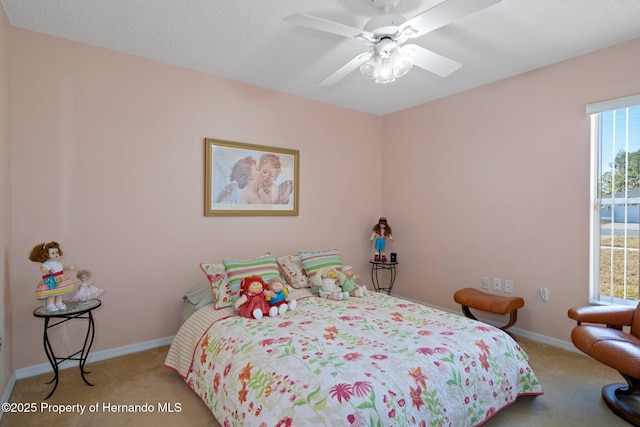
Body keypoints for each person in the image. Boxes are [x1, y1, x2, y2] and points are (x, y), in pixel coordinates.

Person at [29, 241, 76, 312]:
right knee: (52, 294)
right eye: (53, 253)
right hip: (51, 280)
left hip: (61, 279)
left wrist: (69, 267)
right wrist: (48, 271)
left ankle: (58, 303)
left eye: (57, 252)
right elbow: (43, 269)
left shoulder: (58, 263)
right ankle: (50, 305)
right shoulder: (46, 264)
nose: (56, 255)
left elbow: (62, 268)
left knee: (60, 292)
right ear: (46, 254)